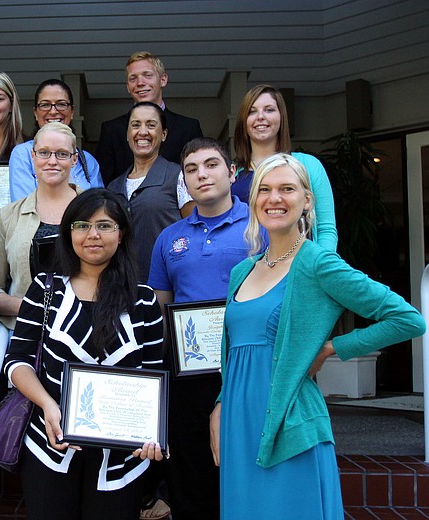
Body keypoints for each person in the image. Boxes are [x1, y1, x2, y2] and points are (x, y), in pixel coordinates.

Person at [210, 153, 425, 519]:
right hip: (238, 421)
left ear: (307, 200)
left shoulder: (318, 263)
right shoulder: (242, 271)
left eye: (287, 189)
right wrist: (218, 406)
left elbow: (407, 319)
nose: (274, 198)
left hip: (288, 420)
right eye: (265, 189)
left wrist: (331, 348)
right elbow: (233, 352)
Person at [4, 189, 166, 520]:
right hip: (50, 446)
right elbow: (16, 361)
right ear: (69, 233)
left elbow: (154, 378)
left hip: (121, 461)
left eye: (104, 226)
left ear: (121, 235)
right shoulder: (46, 289)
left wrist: (151, 433)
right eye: (82, 225)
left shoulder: (144, 300)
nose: (93, 235)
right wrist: (48, 405)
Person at [148, 138, 252, 520]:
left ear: (231, 173)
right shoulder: (169, 238)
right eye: (191, 169)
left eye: (210, 165)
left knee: (241, 464)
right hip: (187, 373)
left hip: (244, 365)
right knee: (189, 469)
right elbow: (160, 306)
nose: (201, 174)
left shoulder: (259, 228)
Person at [0, 121, 82, 333]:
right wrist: (30, 308)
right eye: (44, 153)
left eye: (62, 154)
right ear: (32, 156)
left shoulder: (97, 211)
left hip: (85, 331)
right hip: (24, 333)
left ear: (74, 160)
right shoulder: (8, 216)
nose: (52, 161)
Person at [232, 84, 337, 250]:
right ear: (243, 121)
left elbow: (326, 229)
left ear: (281, 117)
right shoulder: (232, 174)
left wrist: (318, 268)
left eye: (269, 110)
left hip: (297, 267)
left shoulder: (308, 165)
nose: (260, 116)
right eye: (252, 111)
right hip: (246, 267)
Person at [107, 102, 193, 282]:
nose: (143, 131)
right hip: (120, 286)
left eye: (151, 125)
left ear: (163, 134)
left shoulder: (178, 176)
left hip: (167, 285)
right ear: (128, 134)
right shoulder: (113, 188)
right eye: (136, 125)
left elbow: (194, 229)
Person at [97, 51, 202, 184]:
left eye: (147, 75)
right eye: (133, 78)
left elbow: (198, 174)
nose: (140, 82)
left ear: (163, 80)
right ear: (128, 87)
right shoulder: (111, 130)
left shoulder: (188, 127)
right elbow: (105, 184)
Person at [8, 79, 103, 201]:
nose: (53, 111)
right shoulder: (23, 154)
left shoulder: (87, 161)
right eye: (45, 105)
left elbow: (99, 206)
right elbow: (24, 207)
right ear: (35, 113)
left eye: (61, 104)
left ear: (72, 112)